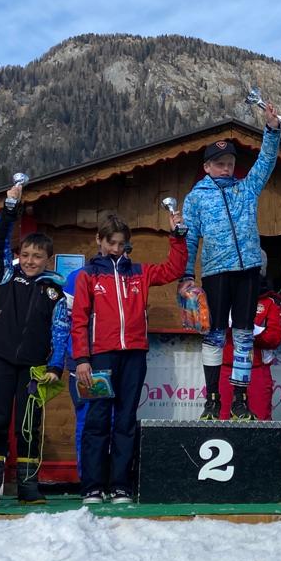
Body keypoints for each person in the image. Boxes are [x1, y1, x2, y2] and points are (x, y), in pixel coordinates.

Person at [71, 211, 186, 504]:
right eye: (111, 242)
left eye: (121, 244)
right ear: (99, 240)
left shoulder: (139, 272)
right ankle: (92, 486)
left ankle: (120, 485)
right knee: (97, 419)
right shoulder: (87, 276)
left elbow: (174, 269)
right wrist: (82, 358)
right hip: (100, 357)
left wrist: (177, 236)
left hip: (134, 356)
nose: (116, 249)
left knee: (125, 420)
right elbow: (79, 320)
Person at [180, 104, 281, 420]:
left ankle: (239, 399)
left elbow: (266, 161)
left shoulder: (246, 188)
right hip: (215, 272)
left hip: (248, 270)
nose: (226, 169)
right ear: (207, 167)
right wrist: (186, 275)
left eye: (230, 164)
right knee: (214, 334)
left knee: (243, 335)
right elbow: (189, 239)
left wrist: (272, 130)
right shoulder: (196, 197)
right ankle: (212, 399)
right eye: (220, 164)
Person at [0, 183, 70, 504]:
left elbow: (61, 332)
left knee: (28, 425)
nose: (30, 261)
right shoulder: (6, 275)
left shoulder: (55, 292)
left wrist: (56, 367)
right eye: (26, 255)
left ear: (48, 259)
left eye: (37, 257)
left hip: (34, 367)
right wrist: (9, 209)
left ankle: (28, 487)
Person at [220, 252, 281, 421]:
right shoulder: (223, 298)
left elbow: (274, 338)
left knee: (259, 422)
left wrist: (252, 331)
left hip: (257, 370)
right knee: (222, 422)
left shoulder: (269, 302)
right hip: (227, 368)